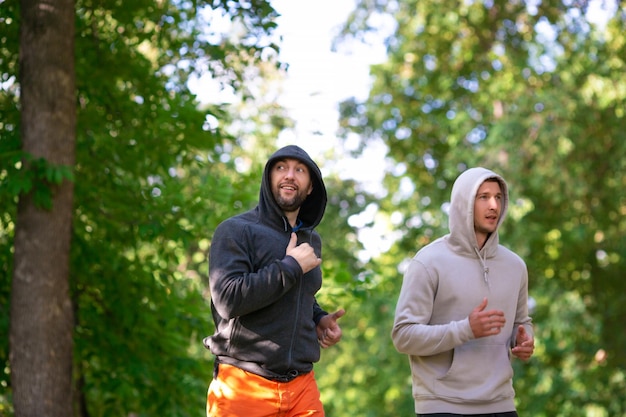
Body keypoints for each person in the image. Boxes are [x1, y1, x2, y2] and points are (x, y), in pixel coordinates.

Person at [204, 145, 345, 417]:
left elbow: (300, 293)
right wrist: (291, 266)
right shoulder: (236, 230)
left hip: (302, 386)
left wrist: (318, 318)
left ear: (311, 186)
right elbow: (228, 299)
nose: (289, 176)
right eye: (281, 168)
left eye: (299, 170)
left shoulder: (311, 240)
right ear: (269, 178)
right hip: (243, 384)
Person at [391, 167, 535, 417]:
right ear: (463, 203)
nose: (493, 205)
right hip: (442, 405)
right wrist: (465, 329)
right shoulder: (428, 262)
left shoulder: (515, 266)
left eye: (498, 197)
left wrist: (523, 340)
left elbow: (521, 322)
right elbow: (403, 336)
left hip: (502, 403)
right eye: (483, 197)